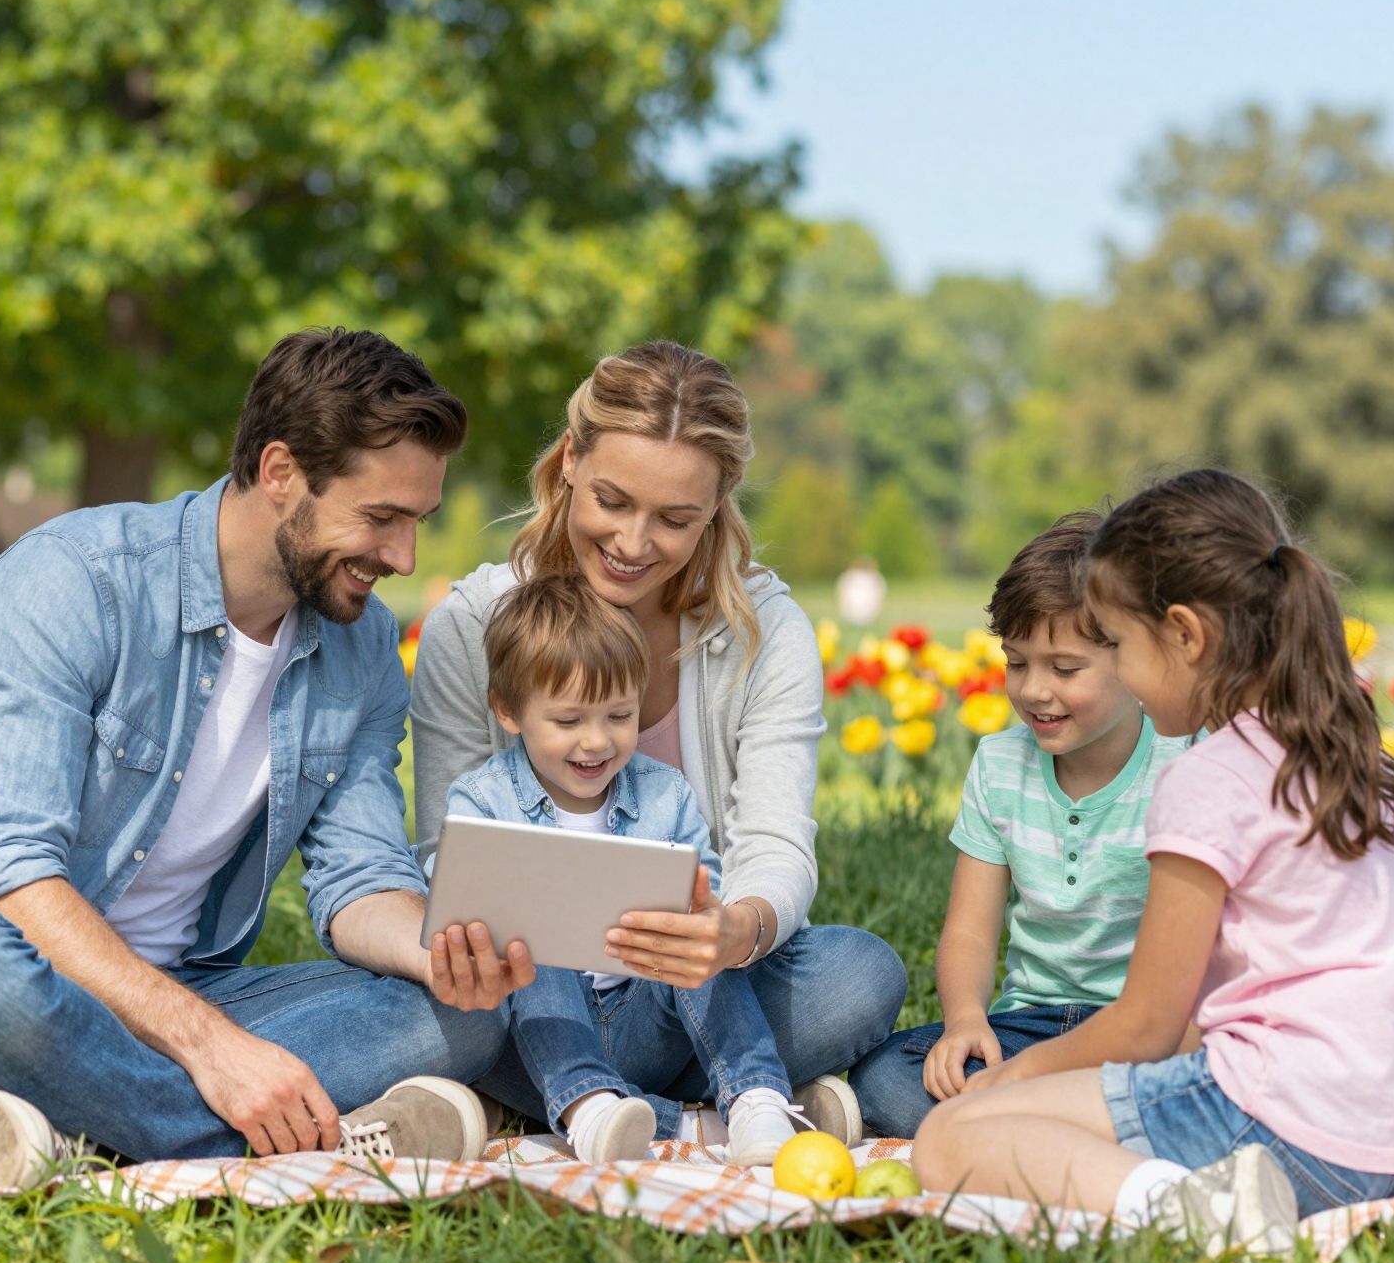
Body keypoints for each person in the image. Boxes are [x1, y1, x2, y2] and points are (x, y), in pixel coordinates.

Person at [0, 329, 533, 1191]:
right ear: (279, 473)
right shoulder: (70, 581)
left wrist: (441, 952)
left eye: (418, 521)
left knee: (466, 1020)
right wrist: (217, 1052)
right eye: (381, 518)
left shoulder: (361, 644)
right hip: (8, 987)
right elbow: (10, 876)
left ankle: (74, 1133)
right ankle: (276, 1129)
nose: (404, 558)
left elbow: (358, 881)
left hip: (180, 994)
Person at [911, 469, 1394, 1255]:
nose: (1122, 672)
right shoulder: (1345, 747)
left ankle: (1192, 1209)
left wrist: (1018, 1080)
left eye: (1119, 647)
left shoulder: (1206, 776)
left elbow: (1147, 1024)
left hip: (1287, 1126)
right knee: (1012, 1108)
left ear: (1185, 635)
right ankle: (1202, 1190)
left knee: (949, 1138)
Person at [410, 341, 906, 1144]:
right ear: (570, 459)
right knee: (419, 1009)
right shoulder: (476, 625)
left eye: (676, 519)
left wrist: (731, 931)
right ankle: (700, 1114)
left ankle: (558, 1109)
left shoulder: (764, 632)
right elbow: (448, 853)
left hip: (688, 992)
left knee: (861, 974)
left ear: (718, 508)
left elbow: (775, 850)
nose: (634, 543)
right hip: (527, 992)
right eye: (613, 499)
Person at [440, 574, 810, 1164]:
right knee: (525, 939)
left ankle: (756, 1099)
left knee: (698, 937)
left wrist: (703, 924)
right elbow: (455, 901)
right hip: (540, 1024)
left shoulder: (666, 795)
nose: (597, 742)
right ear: (507, 711)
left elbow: (706, 900)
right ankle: (600, 1112)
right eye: (568, 721)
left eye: (620, 715)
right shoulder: (481, 801)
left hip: (648, 1011)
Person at [849, 512, 1190, 1138]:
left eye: (1065, 669)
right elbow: (971, 933)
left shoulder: (1185, 765)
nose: (1034, 690)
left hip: (1147, 1032)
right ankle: (1080, 1125)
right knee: (883, 1077)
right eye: (1016, 662)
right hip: (1031, 1028)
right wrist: (964, 1023)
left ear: (1136, 657)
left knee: (1204, 1079)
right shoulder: (1000, 764)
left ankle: (1024, 1125)